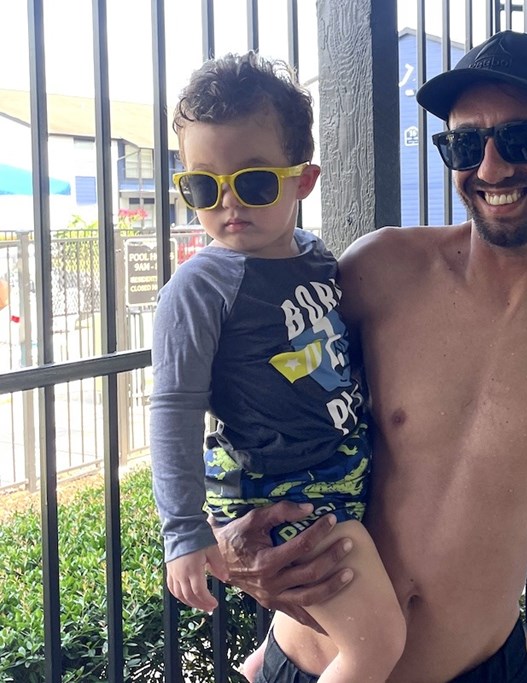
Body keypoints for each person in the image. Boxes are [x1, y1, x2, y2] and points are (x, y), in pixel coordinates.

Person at [220, 31, 527, 682]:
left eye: (521, 139)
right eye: (463, 144)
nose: (489, 168)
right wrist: (218, 536)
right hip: (316, 663)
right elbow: (254, 385)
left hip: (482, 668)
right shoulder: (383, 268)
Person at [149, 52, 405, 683]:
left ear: (303, 180)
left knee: (345, 619)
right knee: (376, 646)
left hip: (336, 471)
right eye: (203, 186)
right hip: (280, 491)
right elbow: (173, 409)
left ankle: (262, 663)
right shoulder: (200, 287)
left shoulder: (316, 258)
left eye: (255, 182)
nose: (228, 204)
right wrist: (183, 532)